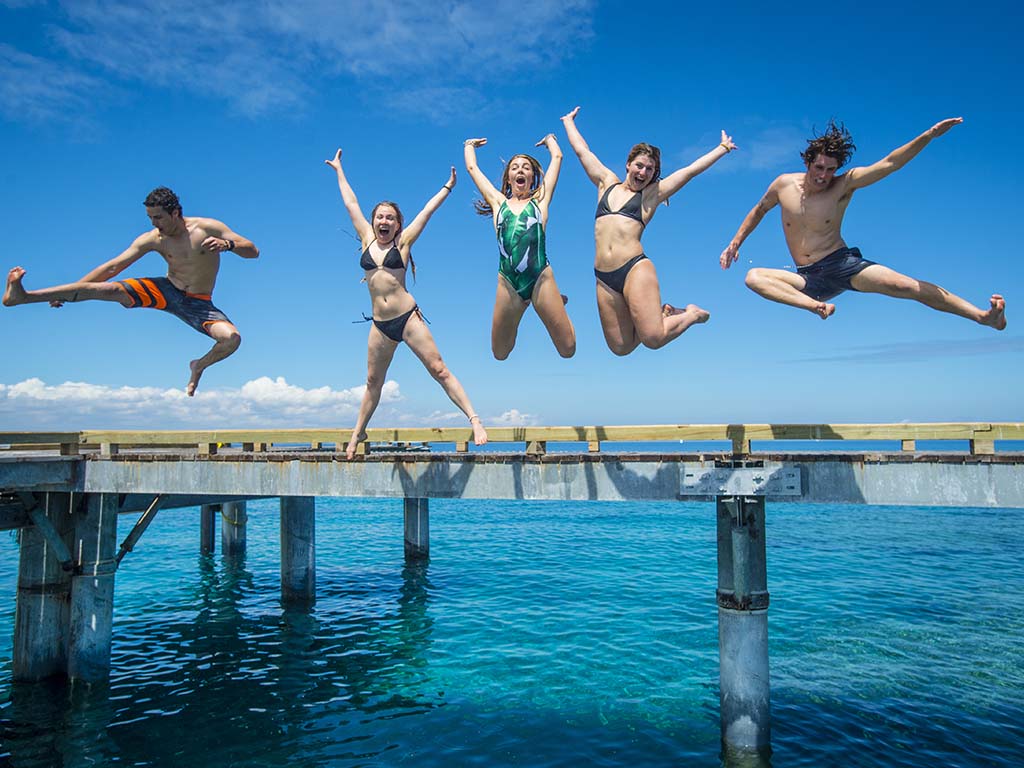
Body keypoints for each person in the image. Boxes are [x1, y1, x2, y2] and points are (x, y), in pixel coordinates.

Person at [720, 118, 1007, 329]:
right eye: (819, 167)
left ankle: (983, 316)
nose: (823, 175)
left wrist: (928, 136)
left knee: (905, 286)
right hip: (808, 277)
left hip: (842, 264)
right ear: (808, 162)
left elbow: (890, 164)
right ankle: (816, 306)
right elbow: (759, 210)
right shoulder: (783, 184)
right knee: (754, 278)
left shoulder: (844, 184)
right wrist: (736, 242)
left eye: (830, 170)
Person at [3, 187, 259, 395]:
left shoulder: (207, 227)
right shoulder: (153, 239)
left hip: (198, 302)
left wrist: (228, 244)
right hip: (166, 290)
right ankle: (24, 297)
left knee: (231, 340)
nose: (154, 223)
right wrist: (64, 295)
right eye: (150, 218)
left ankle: (198, 366)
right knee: (110, 289)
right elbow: (113, 266)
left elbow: (252, 251)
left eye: (158, 217)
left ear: (175, 212)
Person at [324, 148, 488, 459]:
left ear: (398, 224)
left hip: (407, 318)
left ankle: (475, 420)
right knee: (373, 381)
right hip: (380, 324)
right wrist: (339, 170)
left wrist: (448, 187)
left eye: (390, 217)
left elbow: (427, 211)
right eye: (380, 217)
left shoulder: (404, 242)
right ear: (373, 221)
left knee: (438, 369)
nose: (384, 221)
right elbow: (350, 202)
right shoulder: (365, 238)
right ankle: (357, 435)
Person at [560, 106, 736, 355]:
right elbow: (582, 151)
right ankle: (662, 312)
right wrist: (568, 122)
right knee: (621, 347)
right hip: (603, 277)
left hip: (634, 268)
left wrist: (722, 149)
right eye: (639, 165)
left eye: (649, 169)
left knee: (653, 338)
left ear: (654, 173)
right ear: (628, 164)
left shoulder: (651, 196)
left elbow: (689, 172)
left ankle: (692, 314)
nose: (643, 172)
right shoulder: (605, 182)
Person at [463, 134, 575, 359]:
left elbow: (558, 156)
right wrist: (469, 146)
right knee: (500, 353)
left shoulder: (540, 200)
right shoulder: (498, 203)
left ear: (532, 176)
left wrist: (550, 140)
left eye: (526, 167)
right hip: (508, 282)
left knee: (568, 349)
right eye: (515, 168)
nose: (520, 170)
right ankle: (526, 305)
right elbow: (473, 168)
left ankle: (551, 301)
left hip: (540, 277)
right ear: (508, 177)